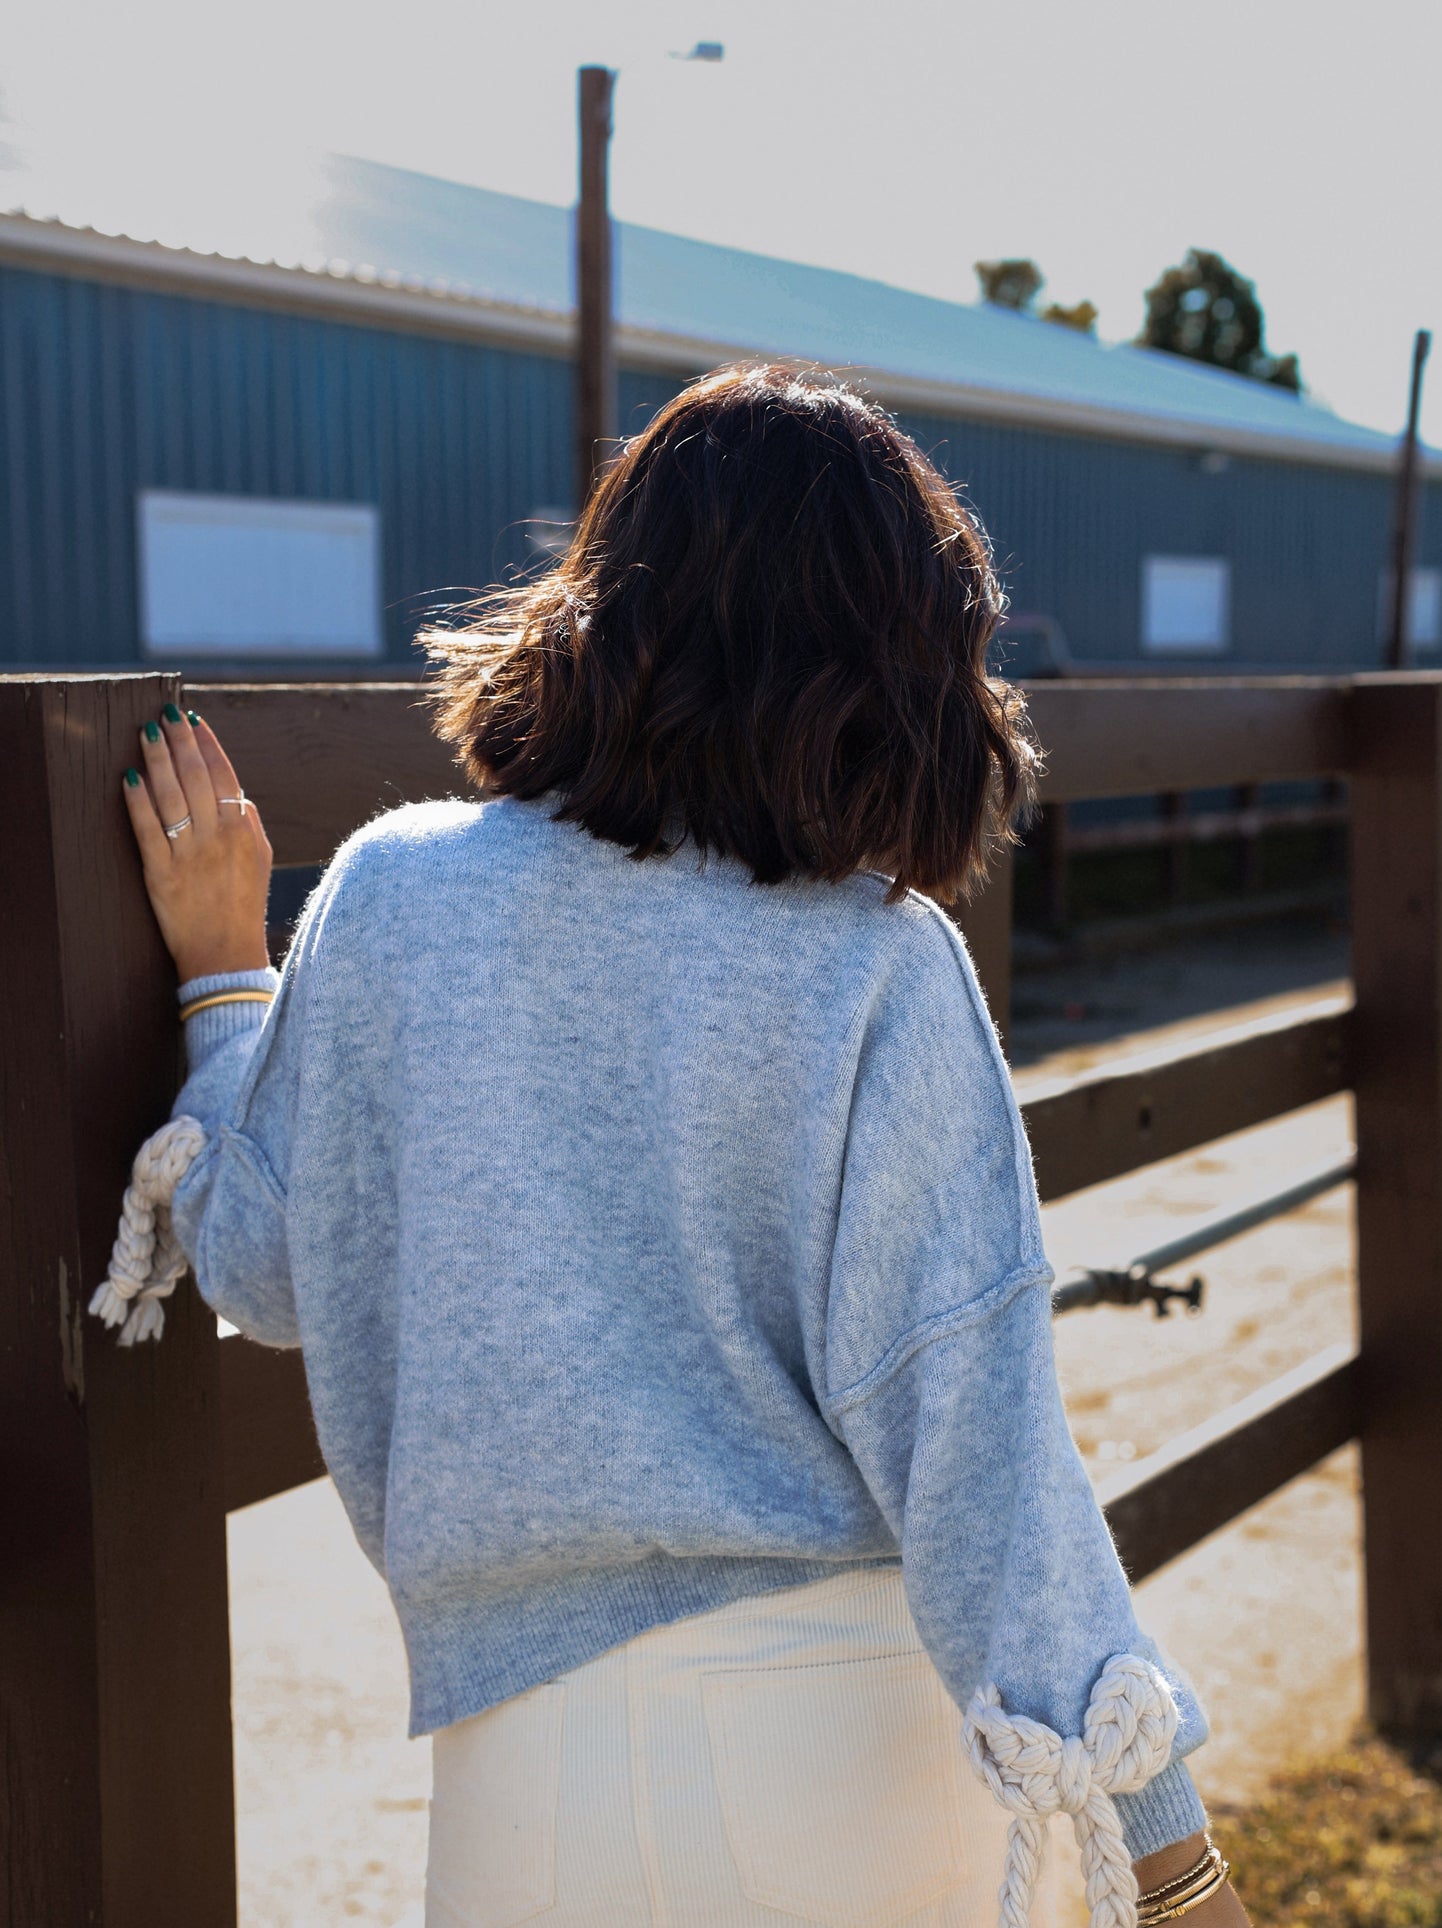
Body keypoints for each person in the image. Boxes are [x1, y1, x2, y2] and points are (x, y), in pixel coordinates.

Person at [113, 365, 1247, 1927]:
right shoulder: (876, 964)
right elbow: (978, 1436)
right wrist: (1169, 1851)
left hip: (522, 1775)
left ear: (608, 605)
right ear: (882, 664)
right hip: (847, 1749)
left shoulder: (391, 896)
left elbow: (259, 1264)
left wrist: (225, 980)